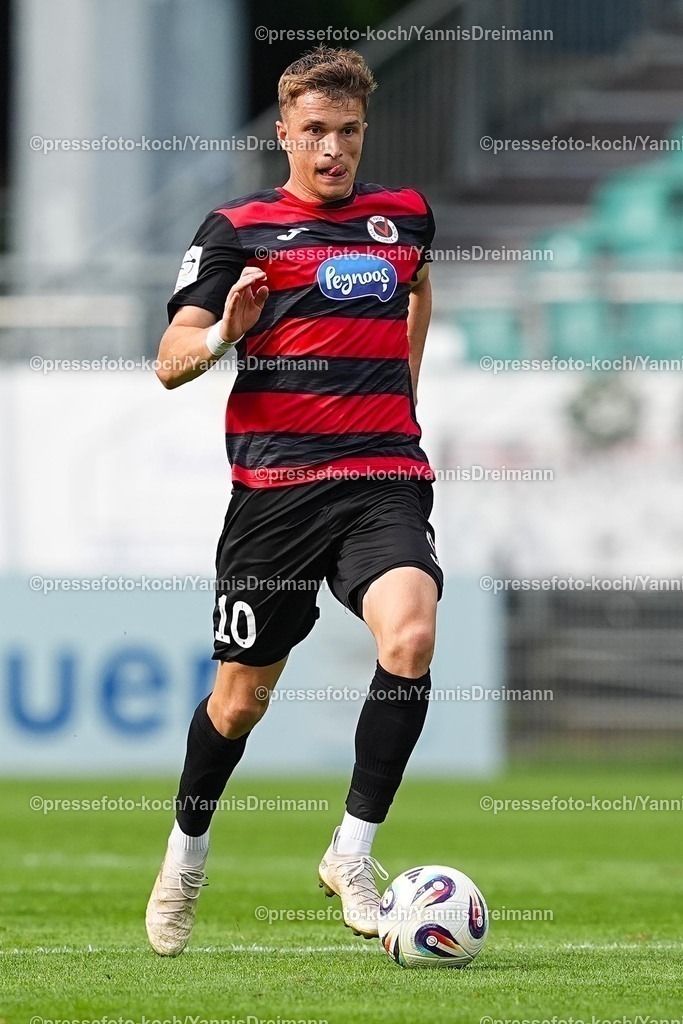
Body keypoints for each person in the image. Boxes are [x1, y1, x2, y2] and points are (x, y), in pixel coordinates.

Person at [145, 45, 442, 957]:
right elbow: (168, 361)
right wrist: (227, 334)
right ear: (283, 132)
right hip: (274, 496)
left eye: (348, 133)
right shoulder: (237, 229)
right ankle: (185, 856)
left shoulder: (405, 218)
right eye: (314, 132)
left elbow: (418, 288)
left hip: (381, 476)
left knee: (411, 637)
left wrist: (407, 397)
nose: (332, 149)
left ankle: (351, 854)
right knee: (237, 705)